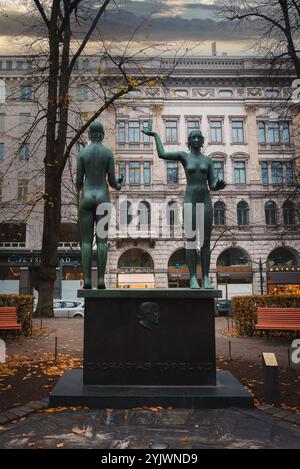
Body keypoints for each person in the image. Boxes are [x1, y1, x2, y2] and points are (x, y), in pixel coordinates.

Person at [142, 127, 226, 289]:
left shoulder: (208, 160)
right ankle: (193, 277)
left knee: (206, 242)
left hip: (206, 200)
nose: (195, 140)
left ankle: (206, 278)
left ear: (202, 141)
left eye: (198, 137)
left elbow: (213, 184)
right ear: (189, 142)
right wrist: (156, 136)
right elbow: (162, 154)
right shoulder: (184, 156)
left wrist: (218, 185)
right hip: (190, 200)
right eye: (192, 138)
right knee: (191, 241)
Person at [76, 121, 123, 289]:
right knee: (102, 241)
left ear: (89, 134)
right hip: (103, 197)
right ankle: (101, 280)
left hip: (87, 197)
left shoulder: (82, 153)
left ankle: (88, 280)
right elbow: (112, 181)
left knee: (86, 242)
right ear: (102, 134)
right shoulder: (108, 153)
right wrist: (119, 183)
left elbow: (78, 183)